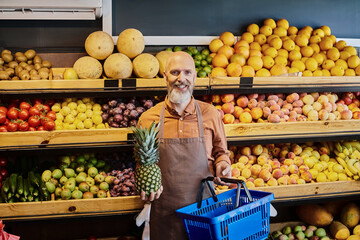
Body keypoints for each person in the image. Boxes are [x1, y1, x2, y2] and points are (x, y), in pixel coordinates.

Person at [137, 51, 231, 240]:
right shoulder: (148, 118)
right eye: (175, 72)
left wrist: (223, 165)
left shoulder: (210, 113)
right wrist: (144, 187)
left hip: (205, 210)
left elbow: (222, 153)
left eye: (188, 72)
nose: (182, 79)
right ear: (165, 77)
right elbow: (142, 164)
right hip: (164, 212)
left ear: (195, 76)